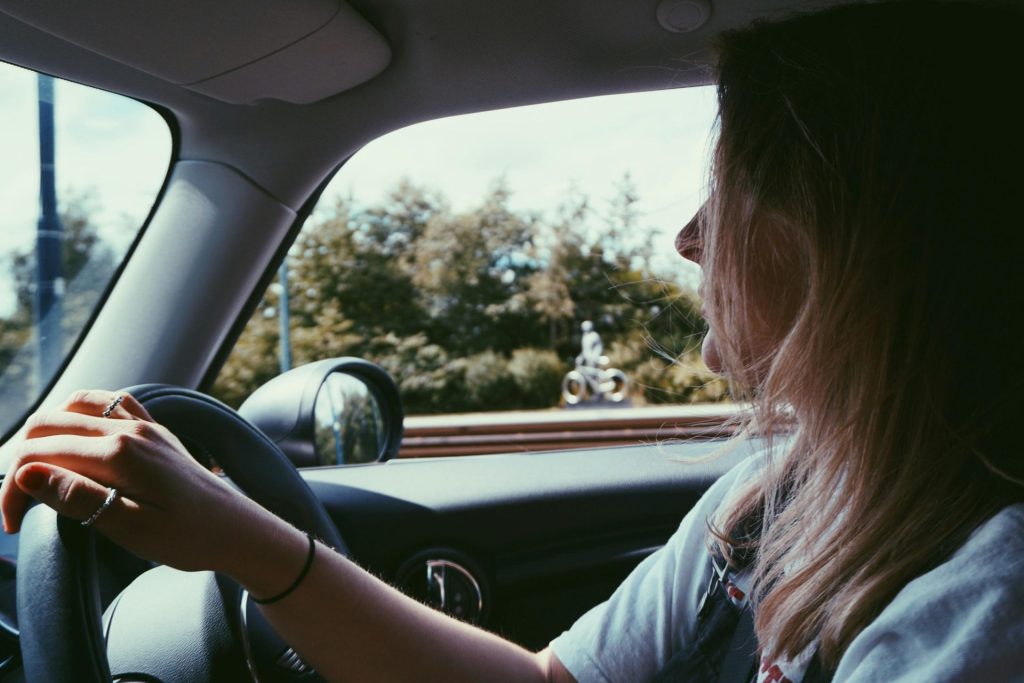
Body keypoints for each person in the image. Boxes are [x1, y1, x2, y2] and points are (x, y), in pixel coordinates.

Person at [3, 1, 1024, 681]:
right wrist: (246, 540)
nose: (687, 236)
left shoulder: (988, 597)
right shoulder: (778, 492)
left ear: (852, 232)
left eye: (733, 184)